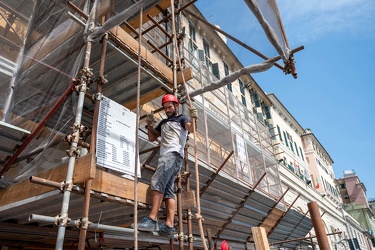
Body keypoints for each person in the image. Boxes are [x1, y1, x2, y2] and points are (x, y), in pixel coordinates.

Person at [132, 94, 198, 238]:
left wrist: (193, 118)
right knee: (168, 191)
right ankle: (169, 226)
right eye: (165, 108)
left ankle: (152, 219)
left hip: (172, 155)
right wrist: (149, 125)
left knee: (157, 182)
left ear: (176, 106)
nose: (167, 110)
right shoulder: (163, 123)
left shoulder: (182, 119)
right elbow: (152, 137)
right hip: (169, 158)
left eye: (170, 107)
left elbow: (191, 129)